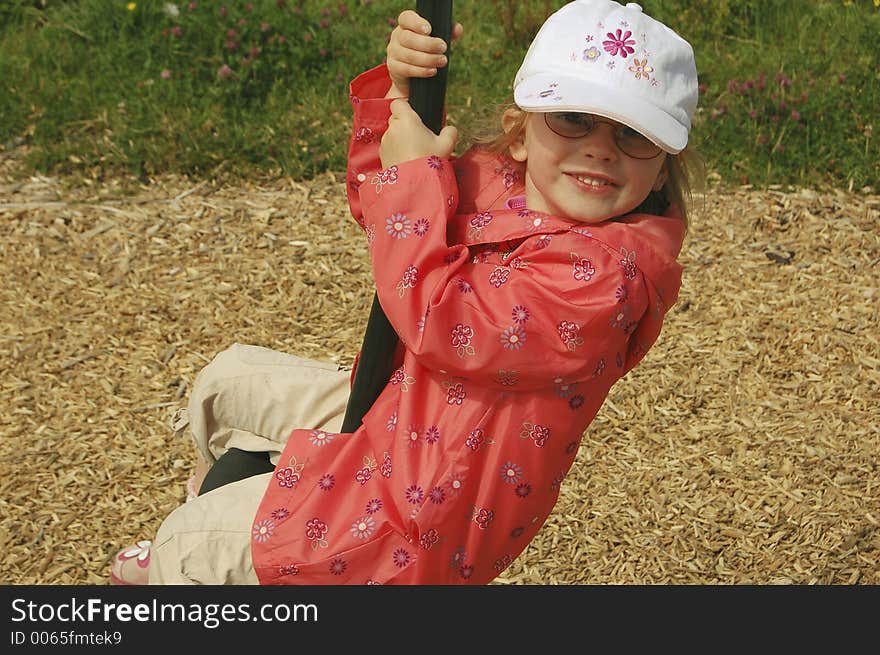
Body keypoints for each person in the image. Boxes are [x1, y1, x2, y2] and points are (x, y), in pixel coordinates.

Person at [110, 0, 703, 585]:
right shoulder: (500, 182)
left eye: (633, 134)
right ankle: (236, 523)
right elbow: (382, 207)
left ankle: (202, 566)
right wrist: (399, 94)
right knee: (226, 384)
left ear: (661, 164)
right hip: (398, 415)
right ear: (520, 134)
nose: (601, 147)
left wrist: (411, 178)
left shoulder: (606, 281)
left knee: (183, 548)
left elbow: (445, 322)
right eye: (573, 119)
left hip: (415, 515)